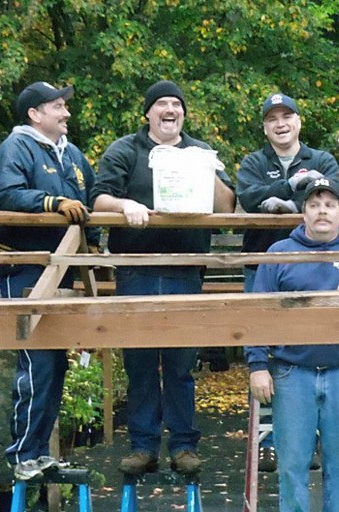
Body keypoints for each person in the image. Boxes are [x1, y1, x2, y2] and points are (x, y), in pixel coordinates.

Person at [91, 80, 235, 475]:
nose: (170, 110)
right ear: (148, 114)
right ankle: (143, 446)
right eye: (162, 104)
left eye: (177, 105)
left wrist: (209, 172)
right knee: (139, 361)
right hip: (135, 269)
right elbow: (98, 198)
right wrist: (126, 204)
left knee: (180, 361)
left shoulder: (201, 151)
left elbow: (226, 207)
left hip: (185, 269)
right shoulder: (125, 150)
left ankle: (184, 446)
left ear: (183, 114)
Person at [245, 177, 339, 511]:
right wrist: (257, 366)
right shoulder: (279, 253)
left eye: (329, 205)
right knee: (292, 467)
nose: (321, 212)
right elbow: (255, 312)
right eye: (314, 205)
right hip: (291, 373)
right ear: (304, 213)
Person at [0, 81, 100, 480]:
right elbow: (4, 194)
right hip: (25, 268)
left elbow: (91, 199)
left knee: (55, 365)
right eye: (57, 107)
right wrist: (52, 204)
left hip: (65, 268)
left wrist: (97, 248)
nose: (66, 113)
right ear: (35, 114)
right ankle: (21, 455)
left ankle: (38, 452)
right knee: (36, 363)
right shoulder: (14, 149)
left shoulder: (72, 154)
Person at [236, 92, 339, 471]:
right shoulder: (253, 161)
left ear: (299, 121)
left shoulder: (322, 159)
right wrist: (292, 189)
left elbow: (331, 197)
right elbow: (248, 198)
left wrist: (292, 203)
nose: (281, 124)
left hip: (314, 267)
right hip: (264, 265)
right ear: (265, 127)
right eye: (272, 119)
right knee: (263, 347)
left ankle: (309, 439)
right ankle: (268, 439)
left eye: (287, 116)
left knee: (311, 346)